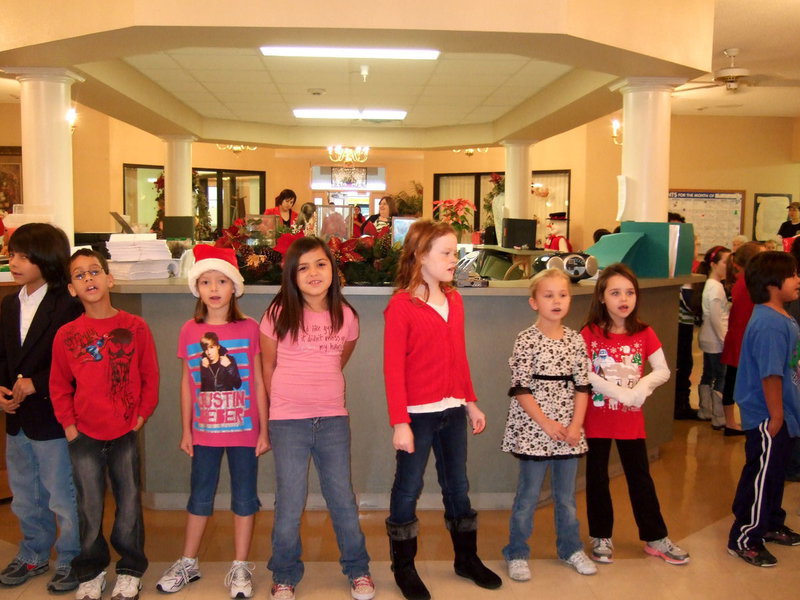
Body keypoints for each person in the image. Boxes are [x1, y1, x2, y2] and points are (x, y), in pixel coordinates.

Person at [383, 220, 501, 600]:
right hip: (418, 414)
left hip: (452, 410)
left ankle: (465, 559)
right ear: (420, 256)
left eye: (455, 251)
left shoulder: (455, 299)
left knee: (458, 486)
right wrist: (400, 422)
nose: (455, 259)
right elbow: (392, 370)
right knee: (408, 488)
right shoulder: (401, 306)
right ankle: (403, 567)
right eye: (447, 253)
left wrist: (470, 402)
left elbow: (458, 357)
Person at [260, 237, 374, 600]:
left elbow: (341, 357)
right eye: (303, 266)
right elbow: (268, 366)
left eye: (320, 264)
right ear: (291, 275)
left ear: (333, 270)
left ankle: (358, 569)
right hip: (287, 421)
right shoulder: (277, 313)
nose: (313, 273)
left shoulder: (347, 315)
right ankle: (284, 574)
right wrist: (270, 417)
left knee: (342, 497)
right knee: (290, 502)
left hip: (332, 420)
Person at [156, 245, 269, 598]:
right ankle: (188, 561)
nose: (215, 288)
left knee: (244, 498)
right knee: (199, 496)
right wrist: (186, 429)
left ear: (234, 286)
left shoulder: (251, 328)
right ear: (197, 288)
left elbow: (259, 382)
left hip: (244, 431)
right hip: (205, 433)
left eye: (222, 280)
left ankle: (240, 566)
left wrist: (264, 429)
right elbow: (187, 384)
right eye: (206, 281)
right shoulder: (189, 330)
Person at [50, 249, 160, 600]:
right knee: (89, 504)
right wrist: (69, 426)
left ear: (109, 278)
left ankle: (129, 569)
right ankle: (92, 570)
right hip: (83, 433)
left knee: (128, 502)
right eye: (79, 275)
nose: (88, 279)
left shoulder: (135, 327)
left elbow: (149, 376)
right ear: (71, 289)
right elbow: (58, 385)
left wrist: (139, 417)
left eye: (94, 272)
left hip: (125, 431)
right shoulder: (67, 335)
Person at [581, 263, 689, 566]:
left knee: (640, 478)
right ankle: (601, 535)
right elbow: (584, 373)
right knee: (597, 478)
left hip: (630, 421)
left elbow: (663, 371)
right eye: (615, 292)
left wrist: (641, 388)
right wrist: (621, 394)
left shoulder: (644, 333)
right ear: (602, 297)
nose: (623, 299)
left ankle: (655, 537)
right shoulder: (589, 333)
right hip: (597, 419)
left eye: (629, 292)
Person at [0, 224, 83, 592]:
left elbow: (78, 361)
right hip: (17, 418)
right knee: (24, 493)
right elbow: (3, 355)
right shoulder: (8, 302)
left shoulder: (68, 303)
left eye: (22, 255)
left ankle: (70, 557)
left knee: (61, 493)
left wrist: (39, 382)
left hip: (53, 416)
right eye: (11, 253)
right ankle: (33, 552)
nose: (13, 262)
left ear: (46, 258)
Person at [501, 269, 596, 581]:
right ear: (534, 302)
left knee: (566, 497)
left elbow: (583, 386)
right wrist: (545, 423)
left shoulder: (576, 340)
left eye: (562, 295)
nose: (557, 301)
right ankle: (516, 551)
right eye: (548, 295)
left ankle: (570, 548)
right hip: (535, 429)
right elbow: (520, 387)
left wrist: (575, 425)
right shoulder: (526, 340)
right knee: (528, 496)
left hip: (568, 430)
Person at [727, 251, 800, 567]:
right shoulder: (769, 323)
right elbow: (770, 373)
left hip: (783, 413)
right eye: (793, 275)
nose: (798, 279)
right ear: (773, 284)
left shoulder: (782, 316)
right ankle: (744, 537)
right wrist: (777, 414)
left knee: (774, 474)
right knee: (761, 475)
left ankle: (769, 522)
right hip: (768, 415)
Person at [720, 242, 764, 436]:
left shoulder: (745, 281)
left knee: (733, 380)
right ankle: (731, 421)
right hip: (741, 339)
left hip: (740, 338)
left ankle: (731, 421)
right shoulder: (749, 283)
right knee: (735, 382)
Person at [695, 246, 732, 429]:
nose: (729, 266)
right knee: (720, 376)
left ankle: (705, 410)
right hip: (717, 340)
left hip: (709, 338)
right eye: (725, 262)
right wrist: (726, 341)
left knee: (708, 374)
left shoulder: (711, 284)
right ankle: (718, 417)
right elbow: (717, 320)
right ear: (713, 264)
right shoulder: (716, 288)